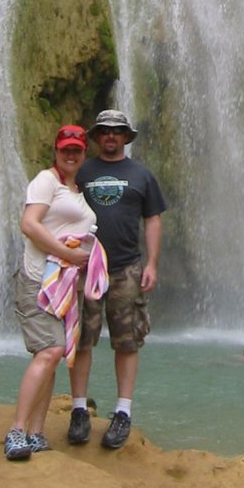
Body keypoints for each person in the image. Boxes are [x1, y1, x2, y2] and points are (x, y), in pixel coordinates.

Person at [67, 109, 166, 450]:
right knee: (81, 340)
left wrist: (152, 263)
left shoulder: (142, 175)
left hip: (126, 268)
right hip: (85, 267)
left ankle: (123, 411)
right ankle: (78, 409)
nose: (111, 135)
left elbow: (152, 220)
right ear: (96, 137)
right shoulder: (81, 171)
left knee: (127, 340)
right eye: (105, 131)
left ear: (126, 136)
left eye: (117, 131)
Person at [5, 125, 95, 461]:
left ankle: (37, 433)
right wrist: (69, 254)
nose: (70, 154)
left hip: (63, 287)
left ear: (84, 153)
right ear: (55, 151)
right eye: (65, 149)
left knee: (52, 356)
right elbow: (29, 224)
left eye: (77, 149)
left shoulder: (76, 190)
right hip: (37, 280)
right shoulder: (46, 180)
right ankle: (16, 431)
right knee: (50, 350)